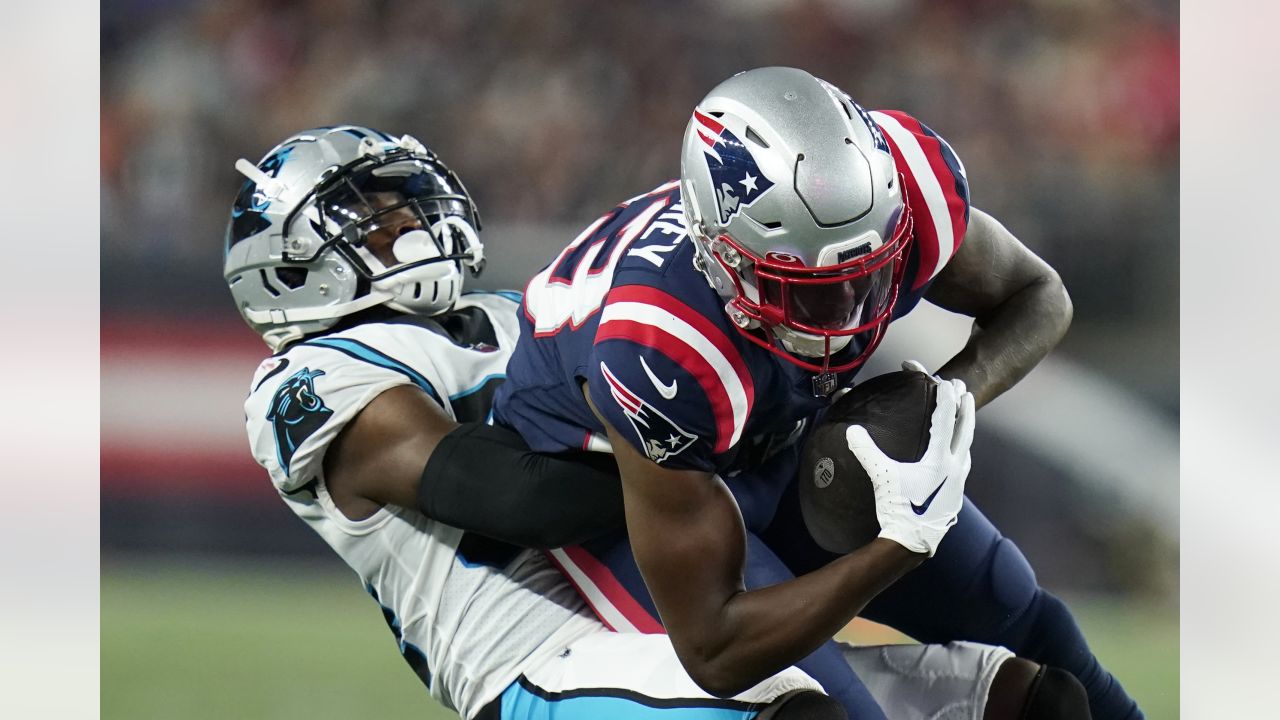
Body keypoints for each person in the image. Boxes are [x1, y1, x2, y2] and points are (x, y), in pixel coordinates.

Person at [224, 125, 1046, 720]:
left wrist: (699, 429)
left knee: (1024, 697)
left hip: (651, 597)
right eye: (377, 216)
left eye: (407, 205)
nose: (412, 225)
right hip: (535, 658)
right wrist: (692, 431)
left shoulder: (512, 314)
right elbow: (513, 495)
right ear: (287, 264)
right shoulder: (310, 379)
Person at [491, 67, 1135, 719]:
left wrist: (944, 404)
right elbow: (715, 646)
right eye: (812, 288)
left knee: (1015, 607)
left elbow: (1037, 296)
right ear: (725, 260)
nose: (849, 310)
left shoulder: (909, 193)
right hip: (623, 486)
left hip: (777, 429)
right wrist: (896, 548)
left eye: (869, 272)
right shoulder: (658, 349)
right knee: (827, 710)